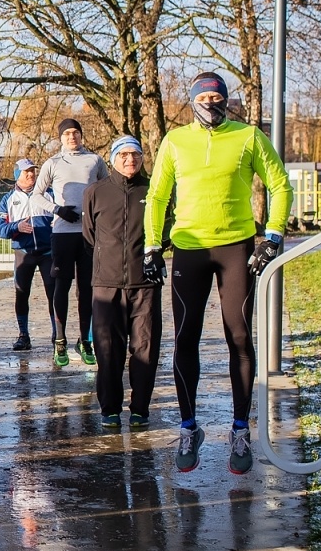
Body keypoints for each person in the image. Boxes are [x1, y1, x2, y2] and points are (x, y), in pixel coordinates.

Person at [145, 72, 292, 475]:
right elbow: (157, 195)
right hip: (189, 249)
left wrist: (273, 235)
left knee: (240, 336)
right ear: (192, 101)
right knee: (185, 337)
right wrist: (152, 245)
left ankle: (240, 429)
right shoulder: (175, 141)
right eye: (204, 96)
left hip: (236, 248)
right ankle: (189, 426)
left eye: (217, 96)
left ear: (225, 100)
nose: (211, 102)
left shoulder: (247, 136)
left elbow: (279, 184)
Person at [83, 137, 162, 429]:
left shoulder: (154, 189)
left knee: (145, 347)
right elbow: (90, 236)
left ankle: (140, 408)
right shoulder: (96, 192)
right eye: (124, 154)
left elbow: (166, 228)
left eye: (136, 154)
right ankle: (110, 409)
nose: (131, 159)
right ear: (113, 158)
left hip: (146, 283)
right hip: (107, 284)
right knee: (107, 349)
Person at [33, 117, 108, 367]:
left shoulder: (94, 160)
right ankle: (60, 339)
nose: (72, 138)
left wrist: (98, 217)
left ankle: (85, 340)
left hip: (88, 233)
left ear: (81, 135)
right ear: (60, 138)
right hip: (63, 232)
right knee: (61, 286)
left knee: (86, 288)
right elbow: (37, 194)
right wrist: (57, 209)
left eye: (75, 133)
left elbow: (106, 189)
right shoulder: (53, 163)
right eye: (67, 134)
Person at [0, 158, 56, 351]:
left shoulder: (49, 194)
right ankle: (23, 335)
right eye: (26, 172)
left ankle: (57, 334)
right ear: (17, 176)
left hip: (48, 252)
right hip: (24, 252)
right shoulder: (8, 199)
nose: (31, 175)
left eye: (32, 171)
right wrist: (17, 226)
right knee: (21, 293)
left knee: (53, 294)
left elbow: (62, 218)